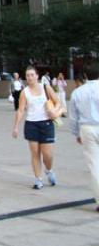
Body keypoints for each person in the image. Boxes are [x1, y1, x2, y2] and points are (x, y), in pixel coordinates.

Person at [12, 65, 62, 189]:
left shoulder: (46, 88)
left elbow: (58, 102)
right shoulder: (25, 92)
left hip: (46, 124)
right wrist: (16, 126)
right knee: (35, 153)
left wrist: (53, 111)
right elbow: (21, 110)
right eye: (27, 75)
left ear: (37, 76)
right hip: (31, 124)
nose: (29, 77)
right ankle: (38, 179)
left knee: (47, 155)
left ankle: (49, 170)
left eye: (32, 75)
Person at [68, 61, 99, 212]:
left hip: (87, 129)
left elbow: (73, 117)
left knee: (94, 165)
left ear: (85, 76)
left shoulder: (78, 92)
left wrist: (76, 133)